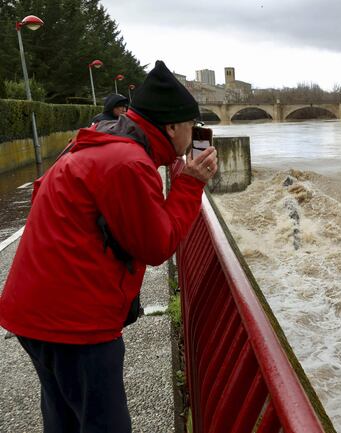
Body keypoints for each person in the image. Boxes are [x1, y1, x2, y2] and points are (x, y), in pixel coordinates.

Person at [0, 60, 218, 433]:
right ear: (171, 127)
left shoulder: (100, 141)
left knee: (64, 417)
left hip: (36, 312)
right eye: (190, 126)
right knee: (104, 423)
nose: (193, 134)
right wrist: (190, 184)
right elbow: (157, 246)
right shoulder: (127, 163)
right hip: (74, 323)